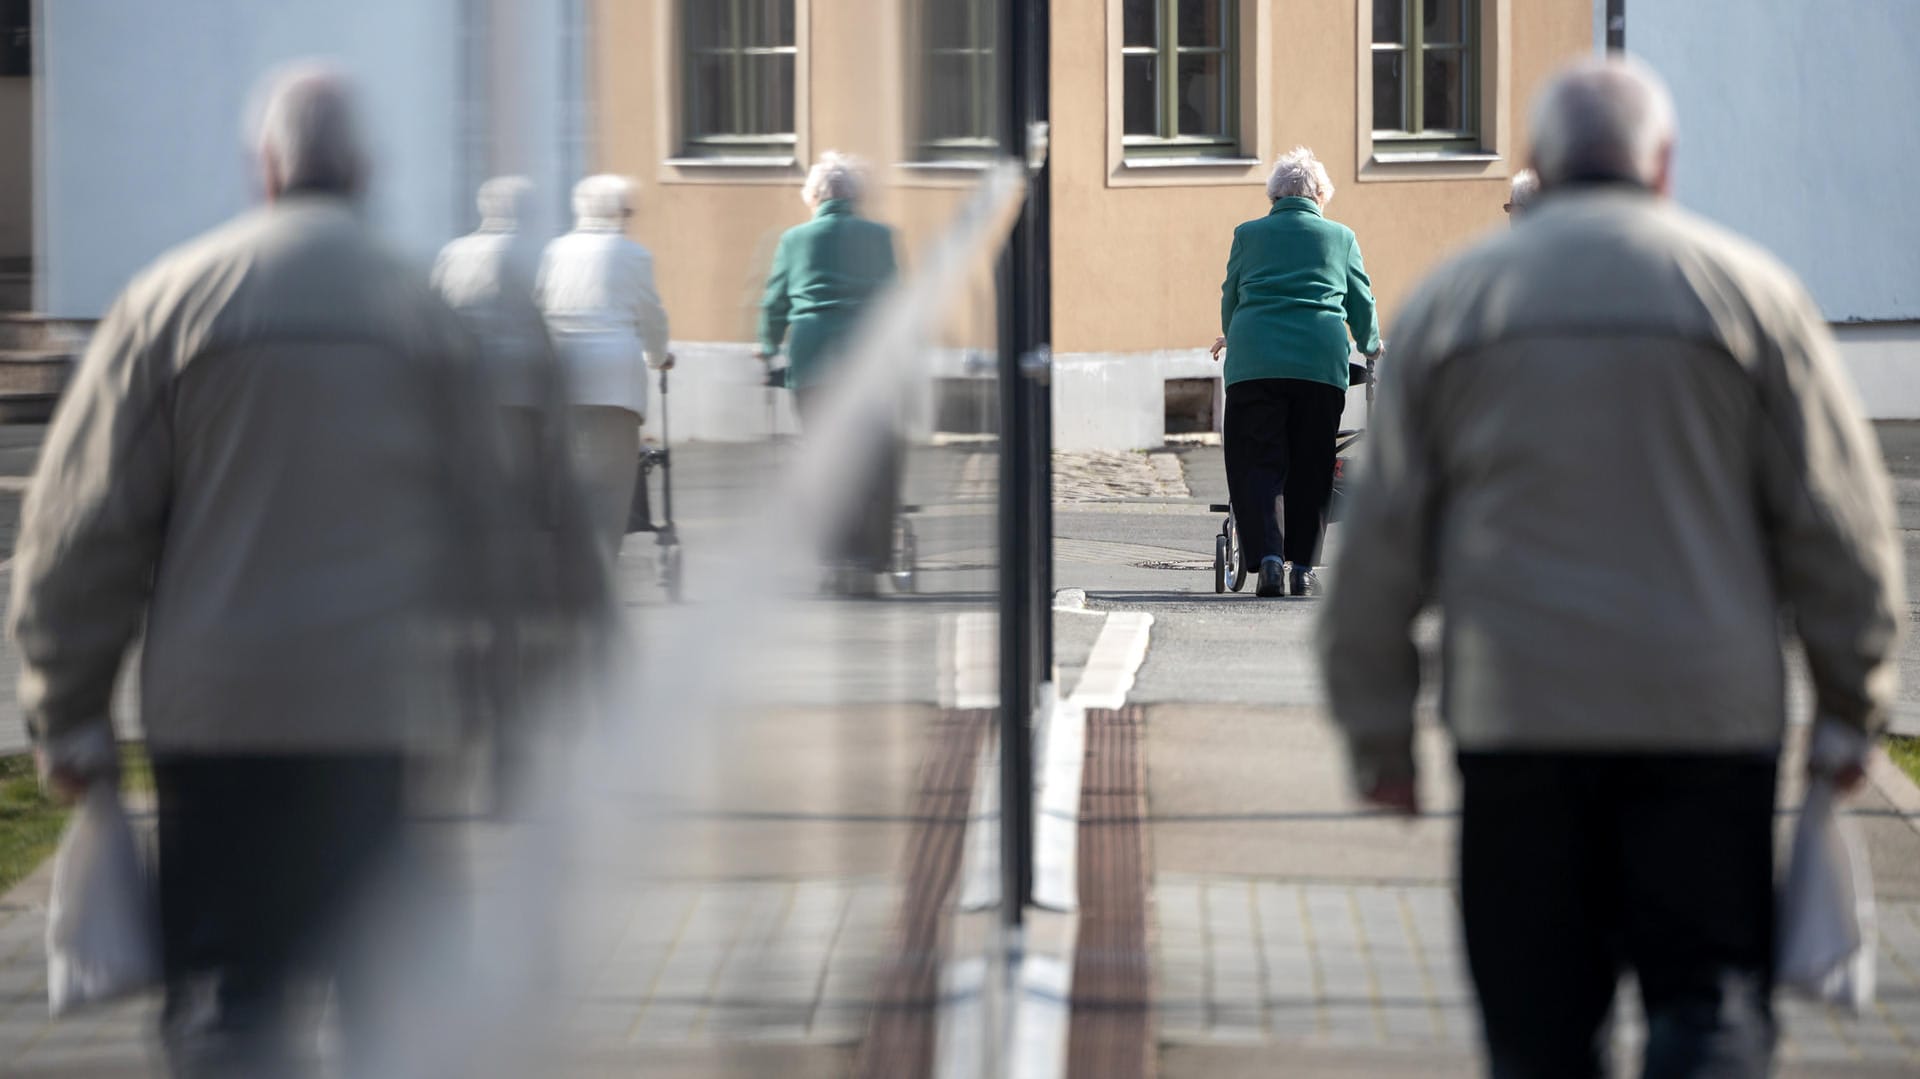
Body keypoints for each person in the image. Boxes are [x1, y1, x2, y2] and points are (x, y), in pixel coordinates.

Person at [1320, 57, 1901, 1078]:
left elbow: (1379, 541)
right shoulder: (1751, 295)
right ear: (1663, 164)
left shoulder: (1456, 304)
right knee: (1710, 997)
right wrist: (1855, 699)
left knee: (1538, 1028)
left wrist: (1379, 730)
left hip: (1518, 718)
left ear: (1539, 162)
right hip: (1707, 718)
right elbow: (1838, 524)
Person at [8, 64, 525, 1075]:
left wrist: (65, 709)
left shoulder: (170, 301)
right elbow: (496, 532)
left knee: (230, 999)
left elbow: (80, 528)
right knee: (392, 993)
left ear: (267, 166)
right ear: (363, 168)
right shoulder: (421, 311)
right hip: (380, 716)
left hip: (218, 719)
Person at [1212, 146, 1381, 598]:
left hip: (1254, 364)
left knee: (1257, 462)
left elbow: (1231, 297)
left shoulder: (1247, 234)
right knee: (1312, 462)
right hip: (1317, 363)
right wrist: (1371, 345)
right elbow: (1361, 303)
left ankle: (1268, 560)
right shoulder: (1340, 237)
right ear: (1320, 195)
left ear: (1274, 196)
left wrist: (1233, 333)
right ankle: (1303, 568)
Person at [757, 151, 900, 594]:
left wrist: (767, 349)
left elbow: (774, 302)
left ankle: (831, 559)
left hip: (813, 356)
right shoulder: (879, 236)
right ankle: (869, 561)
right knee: (876, 461)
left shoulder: (794, 239)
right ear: (855, 195)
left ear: (815, 194)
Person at [537, 174, 672, 556]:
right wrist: (658, 356)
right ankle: (602, 565)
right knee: (613, 481)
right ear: (617, 212)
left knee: (567, 472)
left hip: (564, 374)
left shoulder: (554, 251)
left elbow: (539, 304)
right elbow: (651, 316)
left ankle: (568, 557)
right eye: (627, 211)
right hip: (613, 379)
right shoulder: (633, 254)